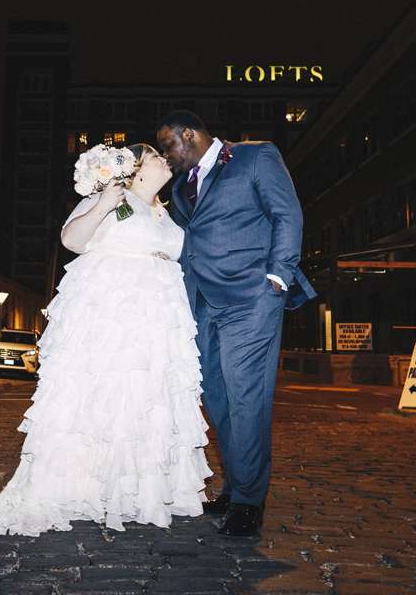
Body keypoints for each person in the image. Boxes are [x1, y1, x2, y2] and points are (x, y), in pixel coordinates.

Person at [0, 144, 211, 536]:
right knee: (107, 398)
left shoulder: (168, 212)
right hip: (114, 316)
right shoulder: (111, 198)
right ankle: (85, 486)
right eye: (155, 156)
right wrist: (104, 204)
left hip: (158, 317)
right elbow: (72, 240)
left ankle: (141, 492)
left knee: (148, 400)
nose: (165, 159)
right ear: (136, 170)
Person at [156, 111, 316, 537]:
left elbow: (287, 214)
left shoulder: (255, 156)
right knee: (219, 399)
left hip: (251, 299)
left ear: (188, 134)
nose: (167, 156)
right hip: (201, 304)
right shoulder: (180, 187)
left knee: (247, 396)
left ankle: (249, 502)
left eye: (169, 145)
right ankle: (234, 487)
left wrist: (278, 276)